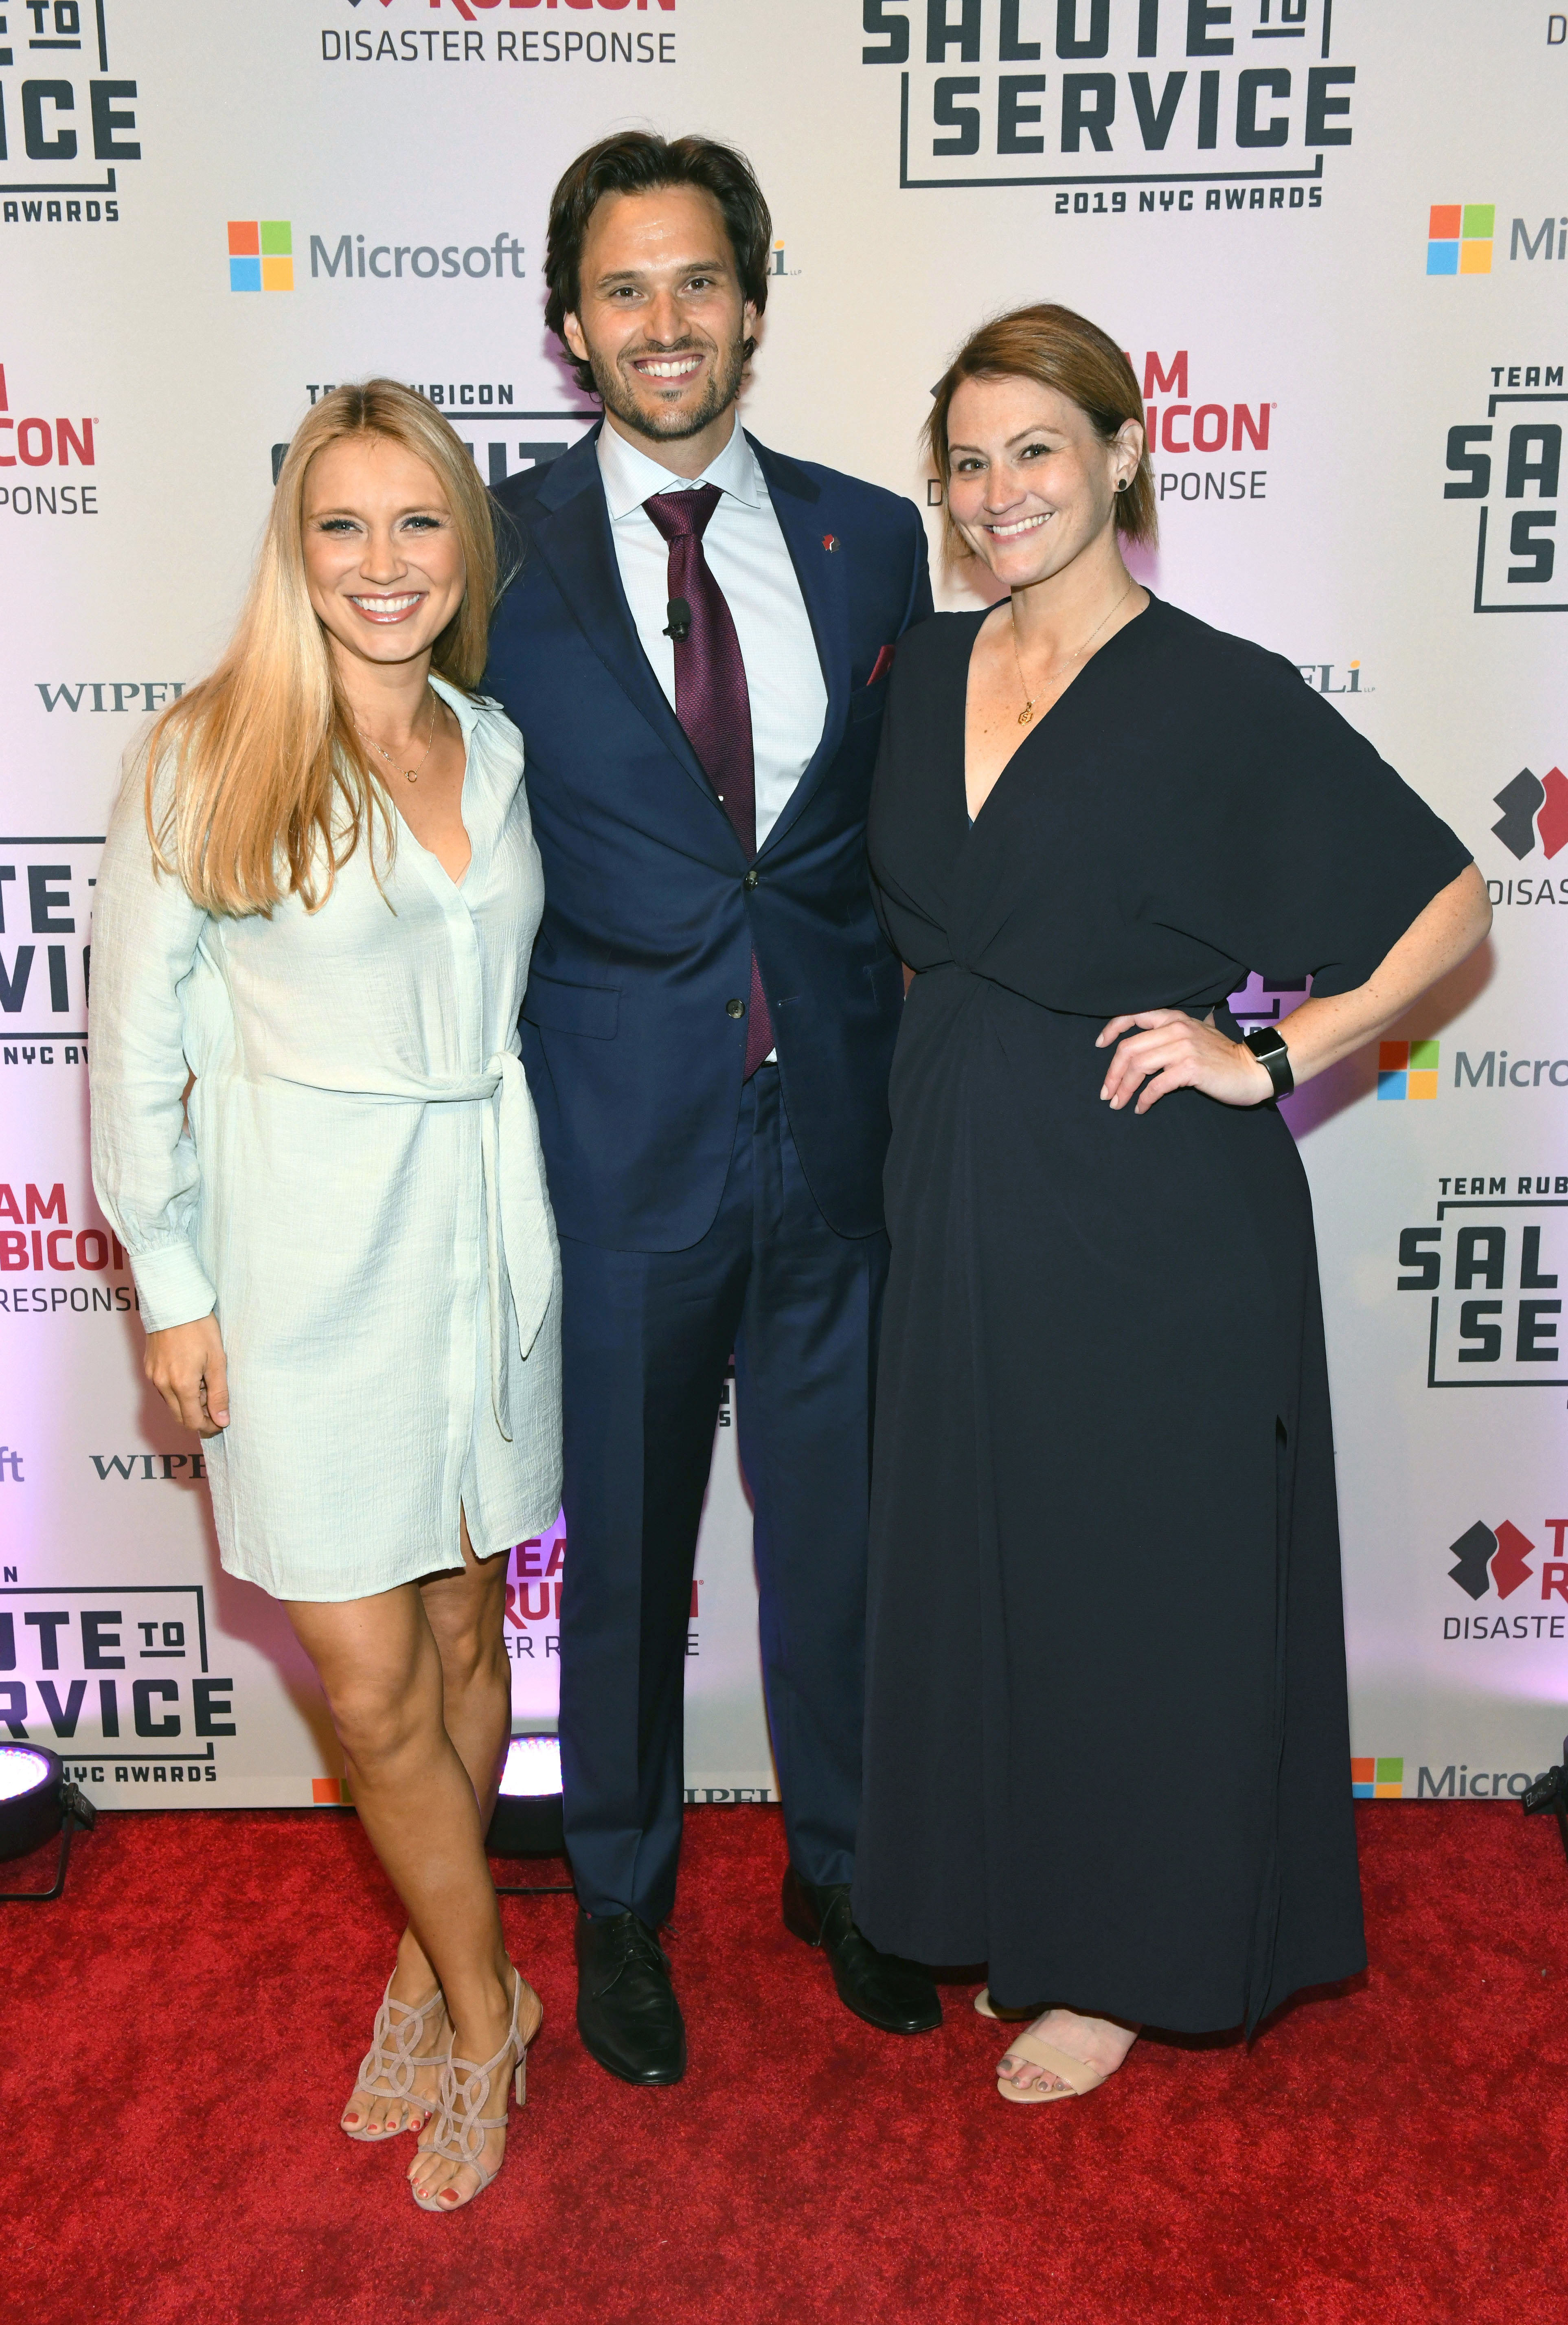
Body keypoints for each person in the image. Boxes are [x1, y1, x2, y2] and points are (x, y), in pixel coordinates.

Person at [852, 304, 1492, 2103]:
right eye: (968, 462)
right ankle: (1024, 1900)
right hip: (960, 1186)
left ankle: (1125, 1960)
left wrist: (1274, 1056)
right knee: (1002, 1566)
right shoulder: (926, 666)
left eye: (1037, 451)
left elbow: (1448, 908)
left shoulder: (1218, 691)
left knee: (1137, 1583)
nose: (1000, 493)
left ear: (1124, 454)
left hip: (1147, 1211)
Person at [483, 131, 939, 2086]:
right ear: (571, 324)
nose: (664, 322)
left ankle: (846, 1868)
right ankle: (619, 1898)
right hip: (617, 1139)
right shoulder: (490, 551)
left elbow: (900, 837)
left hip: (835, 1121)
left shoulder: (872, 538)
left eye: (697, 282)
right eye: (624, 289)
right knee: (626, 1551)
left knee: (842, 1537)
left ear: (752, 302)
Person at [90, 381, 561, 2207]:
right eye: (341, 525)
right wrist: (173, 1285)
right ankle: (490, 2005)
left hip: (479, 1242)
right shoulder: (206, 753)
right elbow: (132, 1056)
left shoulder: (493, 744)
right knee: (368, 1686)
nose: (383, 562)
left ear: (465, 547)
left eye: (418, 522)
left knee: (464, 1634)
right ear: (292, 548)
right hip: (297, 1263)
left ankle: (429, 1961)